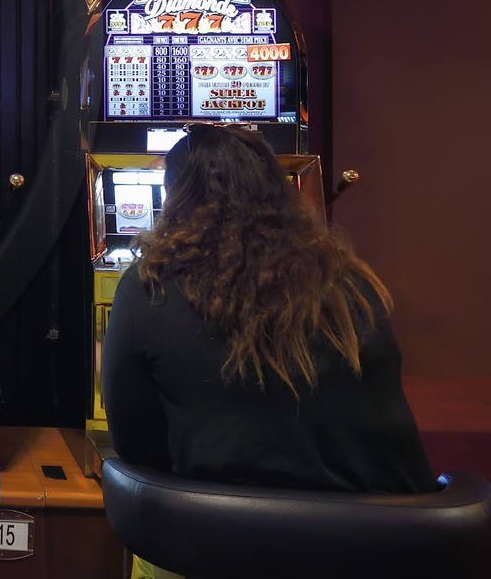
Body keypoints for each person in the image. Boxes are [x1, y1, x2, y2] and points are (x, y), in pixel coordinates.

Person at [102, 124, 433, 577]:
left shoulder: (150, 287)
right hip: (378, 546)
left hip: (220, 543)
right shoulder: (352, 283)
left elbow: (135, 447)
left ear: (175, 199)